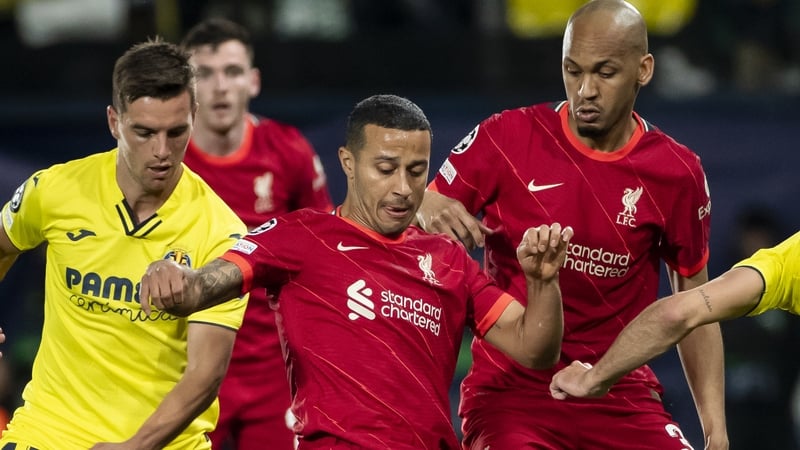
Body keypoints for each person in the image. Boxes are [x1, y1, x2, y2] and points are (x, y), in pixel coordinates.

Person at [138, 94, 574, 449]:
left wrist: (543, 282)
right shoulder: (301, 236)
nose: (402, 188)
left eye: (416, 171)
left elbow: (535, 350)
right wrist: (175, 278)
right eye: (385, 169)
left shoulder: (449, 259)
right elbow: (206, 284)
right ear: (348, 162)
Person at [415, 1, 728, 448]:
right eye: (573, 70)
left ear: (643, 70)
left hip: (619, 392)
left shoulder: (677, 172)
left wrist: (716, 431)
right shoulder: (507, 135)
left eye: (604, 73)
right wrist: (425, 206)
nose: (585, 90)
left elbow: (696, 308)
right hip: (511, 395)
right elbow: (420, 209)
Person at [0, 39, 248, 449]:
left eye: (176, 132)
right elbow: (4, 245)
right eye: (144, 132)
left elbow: (205, 375)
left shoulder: (221, 233)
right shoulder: (56, 190)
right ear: (114, 122)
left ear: (194, 117)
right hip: (49, 432)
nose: (162, 151)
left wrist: (136, 446)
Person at [179, 17, 334, 450]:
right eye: (204, 74)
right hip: (185, 363)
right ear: (186, 85)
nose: (220, 87)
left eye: (232, 72)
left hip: (273, 369)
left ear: (253, 81)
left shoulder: (288, 150)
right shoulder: (165, 159)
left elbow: (324, 253)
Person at [549, 229, 800, 398]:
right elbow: (676, 314)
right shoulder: (789, 263)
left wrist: (592, 379)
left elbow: (676, 313)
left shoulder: (789, 261)